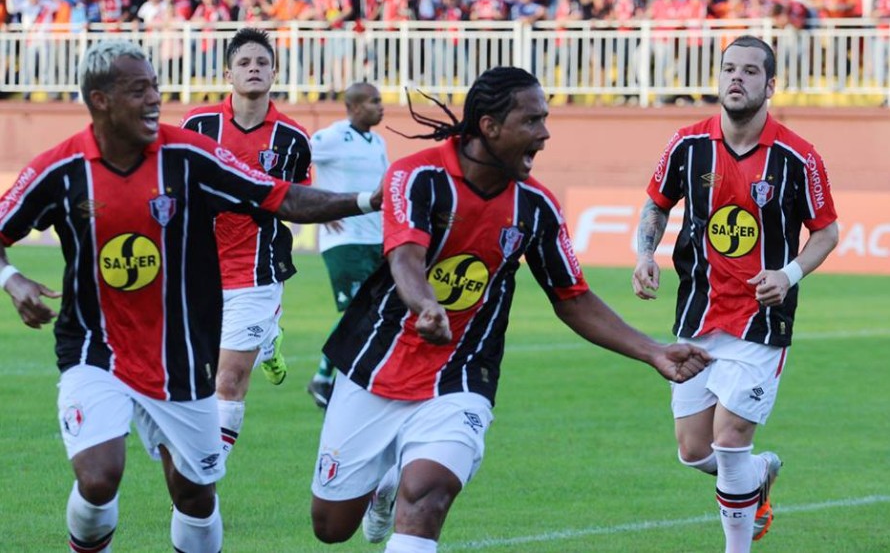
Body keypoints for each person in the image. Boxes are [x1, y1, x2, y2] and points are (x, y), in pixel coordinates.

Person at [308, 66, 713, 552]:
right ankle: (386, 480)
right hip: (375, 364)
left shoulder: (537, 207)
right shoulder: (417, 175)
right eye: (532, 120)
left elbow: (573, 298)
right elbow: (405, 256)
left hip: (461, 373)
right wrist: (425, 305)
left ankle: (407, 477)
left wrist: (653, 351)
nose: (545, 134)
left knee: (428, 495)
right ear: (490, 126)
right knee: (331, 527)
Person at [0, 40, 379, 553]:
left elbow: (279, 196)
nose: (154, 98)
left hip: (180, 355)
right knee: (99, 475)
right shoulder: (61, 168)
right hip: (96, 347)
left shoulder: (187, 155)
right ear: (101, 100)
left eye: (155, 86)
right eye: (139, 90)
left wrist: (367, 200)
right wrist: (12, 278)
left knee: (195, 495)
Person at [632, 36, 839, 553]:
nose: (736, 78)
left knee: (728, 440)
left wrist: (788, 274)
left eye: (749, 71)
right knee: (693, 450)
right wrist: (644, 254)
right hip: (698, 316)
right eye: (729, 69)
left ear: (770, 86)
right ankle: (759, 471)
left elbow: (827, 231)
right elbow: (656, 204)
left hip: (760, 322)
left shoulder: (798, 156)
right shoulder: (687, 145)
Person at [181, 28, 311, 464]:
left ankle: (207, 475)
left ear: (274, 72)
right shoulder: (198, 126)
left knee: (228, 380)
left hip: (257, 274)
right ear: (228, 74)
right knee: (196, 377)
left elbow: (297, 198)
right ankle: (269, 341)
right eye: (244, 62)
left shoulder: (292, 139)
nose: (253, 68)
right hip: (199, 273)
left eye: (262, 62)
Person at [306, 82, 389, 409]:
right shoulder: (332, 137)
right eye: (374, 101)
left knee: (377, 311)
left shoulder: (378, 142)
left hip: (376, 240)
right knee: (359, 311)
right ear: (354, 107)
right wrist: (317, 203)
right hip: (344, 241)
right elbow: (294, 159)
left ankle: (338, 379)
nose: (381, 106)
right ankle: (325, 378)